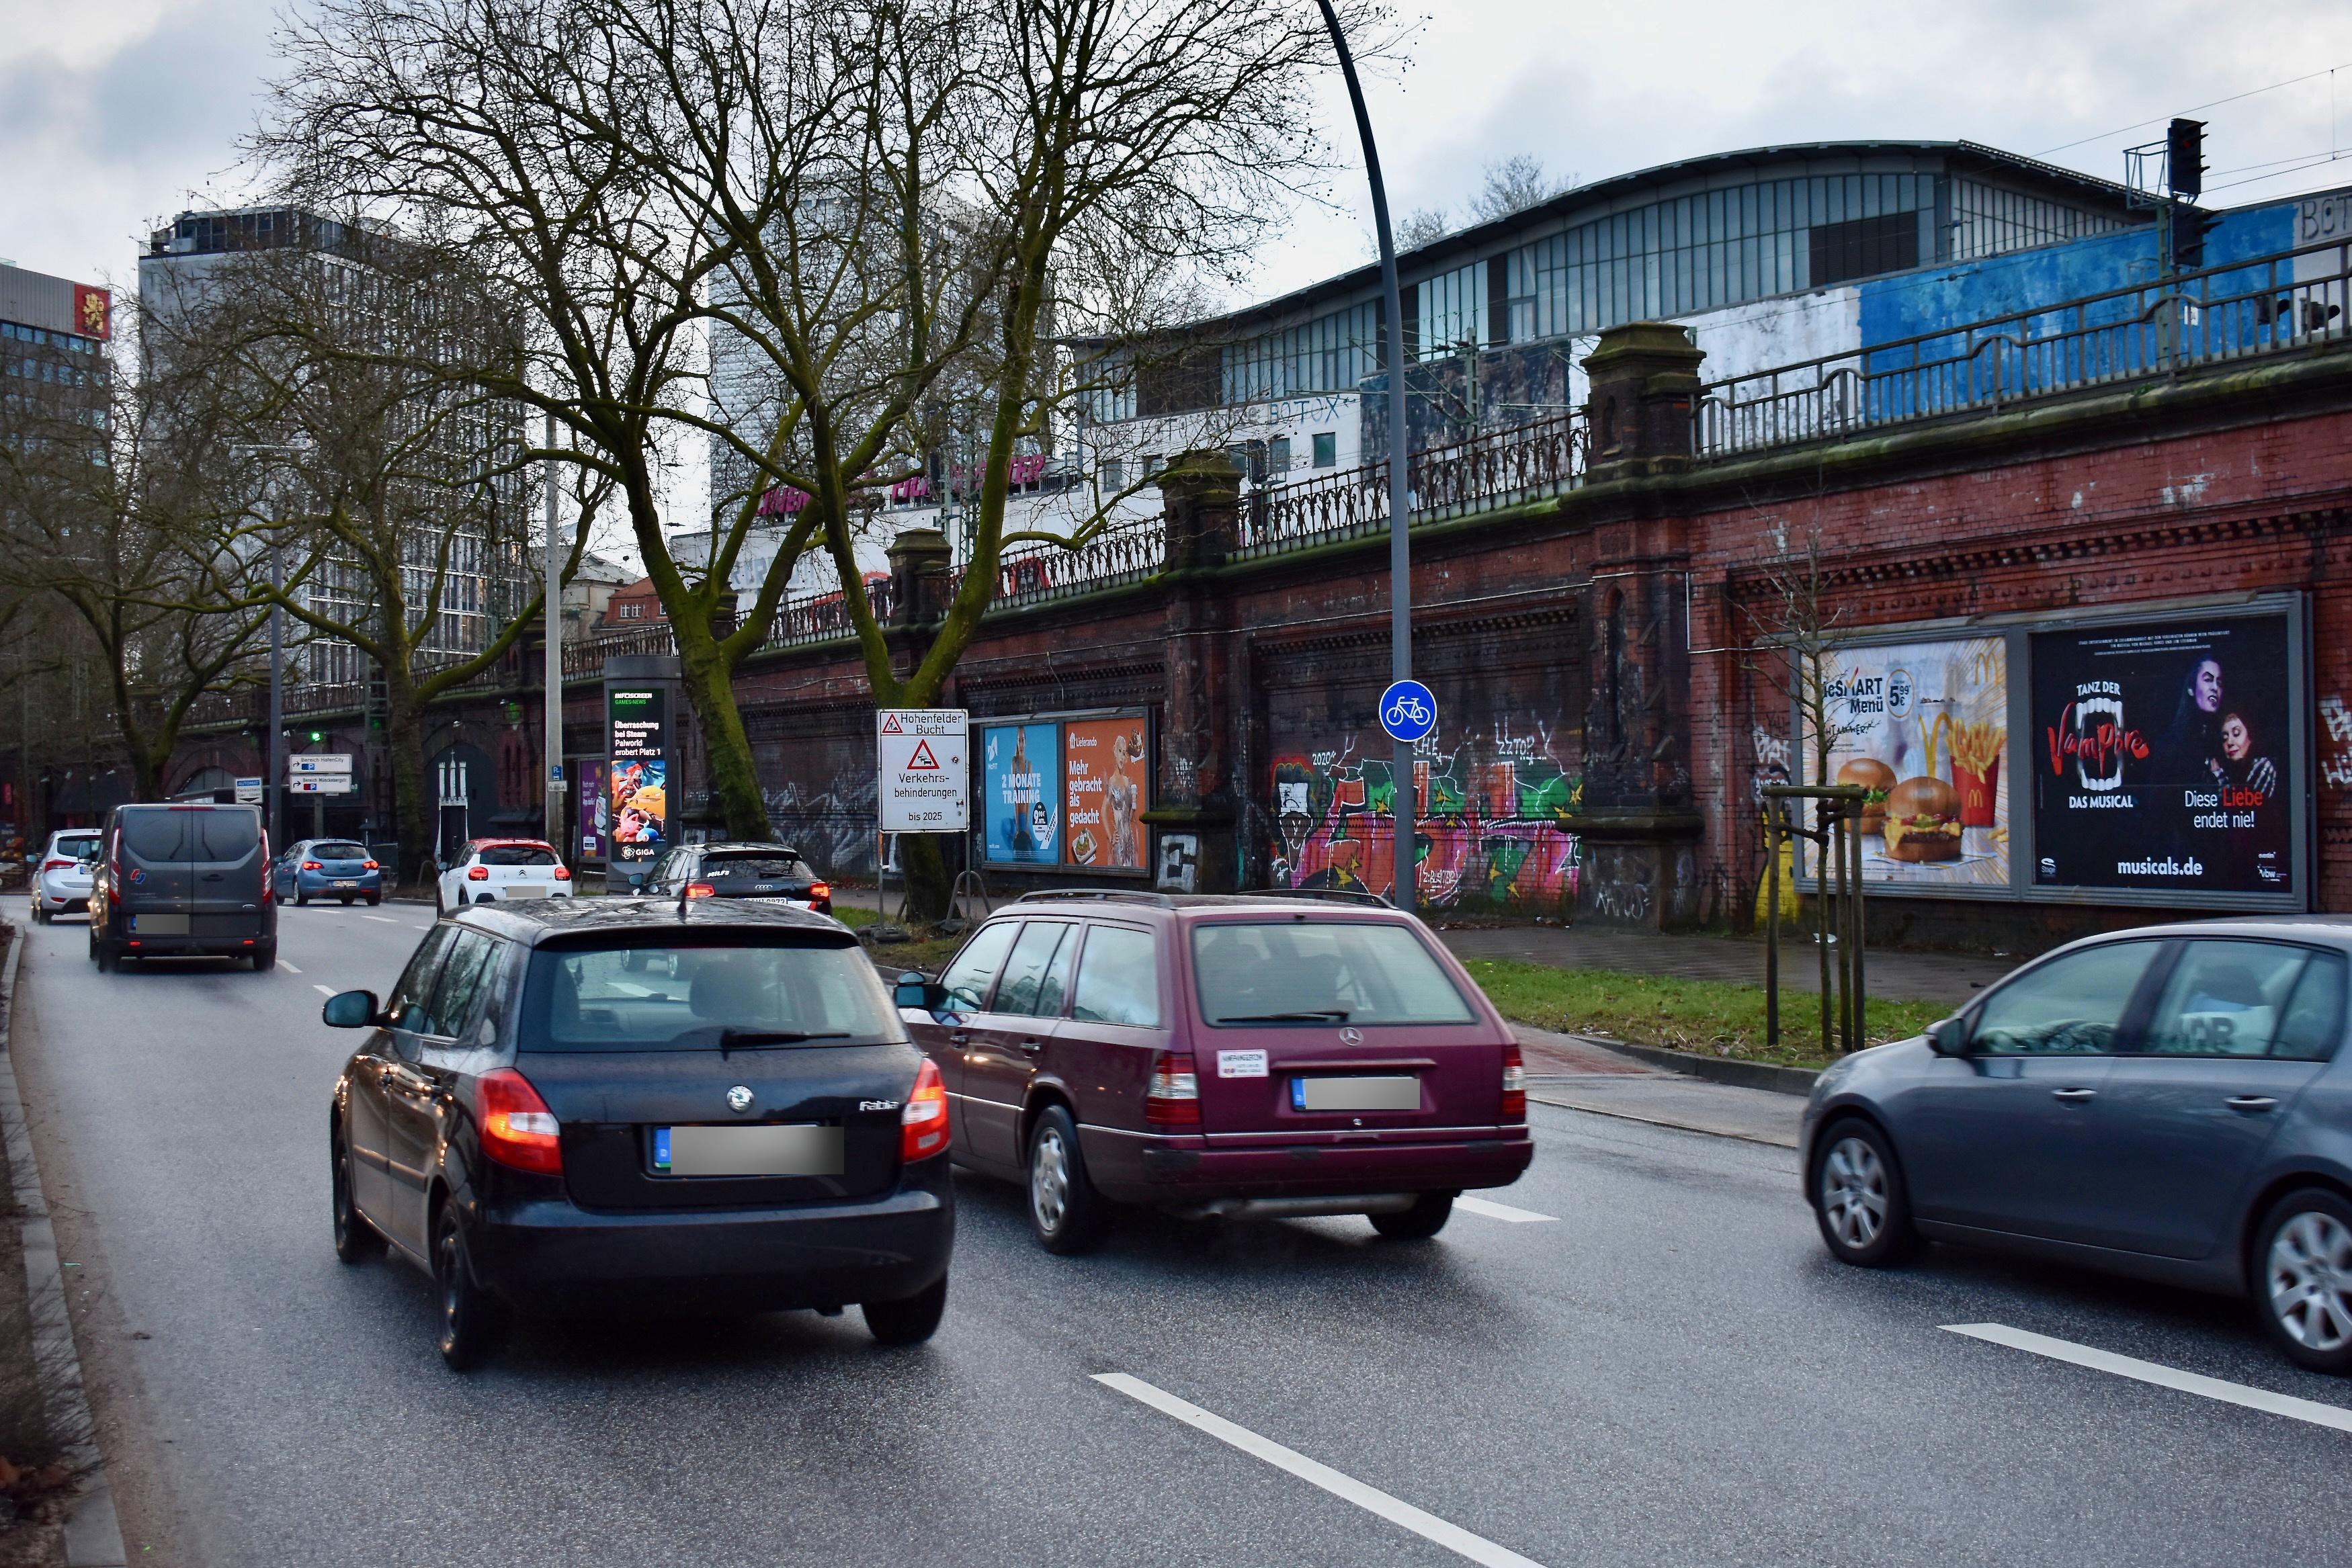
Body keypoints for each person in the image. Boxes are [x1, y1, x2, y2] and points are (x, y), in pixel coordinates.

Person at [2154, 656, 2227, 784]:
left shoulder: (2225, 742)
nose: (2215, 687)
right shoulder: (2171, 744)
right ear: (2191, 688)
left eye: (2219, 683)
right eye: (2208, 680)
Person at [2214, 711, 2279, 799]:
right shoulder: (2229, 769)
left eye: (2236, 733)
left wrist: (2219, 776)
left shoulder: (2263, 765)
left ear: (2250, 734)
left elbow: (2245, 803)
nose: (2229, 742)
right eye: (2224, 738)